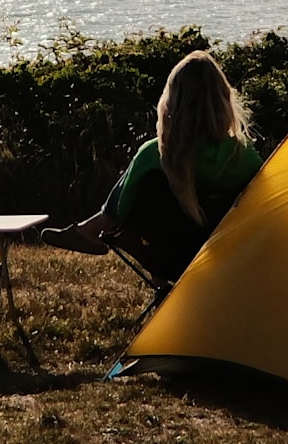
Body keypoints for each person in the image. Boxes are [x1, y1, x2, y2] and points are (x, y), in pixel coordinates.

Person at [44, 48, 258, 285]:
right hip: (233, 258)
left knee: (144, 191)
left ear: (172, 102)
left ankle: (92, 230)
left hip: (172, 261)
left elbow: (121, 211)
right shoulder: (244, 155)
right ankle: (91, 230)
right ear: (224, 100)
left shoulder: (156, 154)